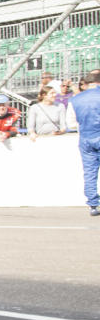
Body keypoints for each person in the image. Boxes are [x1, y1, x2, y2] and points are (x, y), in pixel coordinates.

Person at [68, 70, 100, 216]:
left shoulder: (75, 99)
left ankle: (93, 204)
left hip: (85, 138)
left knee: (89, 172)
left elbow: (71, 124)